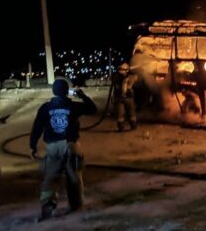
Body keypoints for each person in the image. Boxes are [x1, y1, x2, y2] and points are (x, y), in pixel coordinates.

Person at [30, 78, 96, 221]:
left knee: (51, 176)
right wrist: (82, 96)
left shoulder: (45, 108)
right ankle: (76, 205)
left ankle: (48, 205)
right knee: (74, 176)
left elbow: (37, 128)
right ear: (67, 91)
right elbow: (93, 109)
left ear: (53, 91)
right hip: (71, 145)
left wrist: (32, 146)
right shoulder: (73, 106)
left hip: (53, 146)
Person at [112, 62, 138, 131]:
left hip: (127, 98)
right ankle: (122, 126)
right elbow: (115, 83)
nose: (122, 73)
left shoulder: (131, 77)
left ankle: (132, 125)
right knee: (121, 113)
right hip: (120, 98)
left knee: (130, 113)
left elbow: (136, 78)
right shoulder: (116, 77)